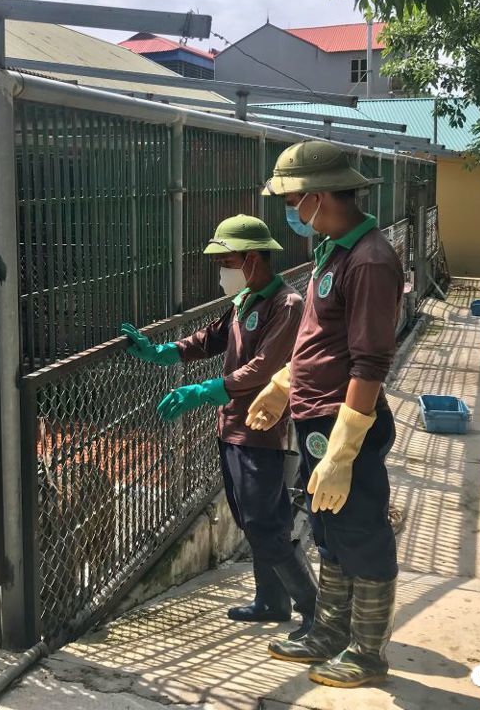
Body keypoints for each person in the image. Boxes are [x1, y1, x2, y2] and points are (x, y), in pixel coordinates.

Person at [246, 141, 404, 688]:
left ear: (315, 197)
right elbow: (319, 342)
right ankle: (332, 633)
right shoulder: (334, 252)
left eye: (291, 199)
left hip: (346, 424)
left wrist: (342, 450)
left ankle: (367, 651)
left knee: (362, 529)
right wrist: (283, 383)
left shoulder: (371, 260)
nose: (289, 211)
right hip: (317, 418)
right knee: (329, 529)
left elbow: (369, 362)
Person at [120, 214, 317, 639]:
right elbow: (210, 339)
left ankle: (312, 609)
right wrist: (161, 351)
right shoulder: (245, 300)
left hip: (263, 430)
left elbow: (264, 368)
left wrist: (205, 390)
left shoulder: (287, 305)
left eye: (225, 262)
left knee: (267, 523)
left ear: (250, 259)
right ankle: (271, 600)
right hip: (232, 427)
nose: (220, 272)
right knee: (252, 519)